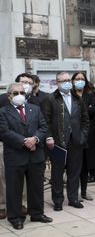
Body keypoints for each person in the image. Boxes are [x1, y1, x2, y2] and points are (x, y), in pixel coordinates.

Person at [0, 83, 53, 230]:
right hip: (15, 156)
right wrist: (25, 141)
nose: (19, 96)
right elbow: (4, 132)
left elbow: (43, 127)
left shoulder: (35, 109)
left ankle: (37, 213)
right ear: (9, 96)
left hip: (35, 155)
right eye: (15, 93)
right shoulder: (3, 112)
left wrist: (35, 139)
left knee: (36, 187)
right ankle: (15, 217)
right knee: (14, 188)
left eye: (22, 93)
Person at [41, 71, 89, 211]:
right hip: (57, 143)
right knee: (57, 173)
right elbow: (46, 122)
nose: (68, 83)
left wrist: (82, 136)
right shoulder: (50, 99)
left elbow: (85, 120)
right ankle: (57, 200)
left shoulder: (78, 99)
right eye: (64, 81)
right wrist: (49, 137)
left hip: (76, 142)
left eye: (69, 80)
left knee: (74, 172)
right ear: (57, 82)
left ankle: (73, 198)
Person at [71, 72, 95, 201]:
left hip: (88, 135)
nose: (79, 81)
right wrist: (86, 110)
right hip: (72, 135)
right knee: (74, 166)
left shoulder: (90, 95)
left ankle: (83, 191)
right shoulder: (69, 95)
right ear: (72, 81)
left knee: (85, 165)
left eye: (82, 79)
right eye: (77, 79)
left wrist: (83, 110)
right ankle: (73, 192)